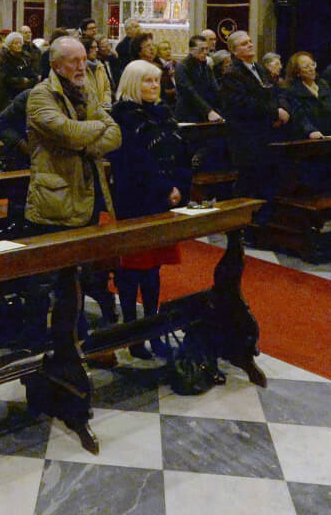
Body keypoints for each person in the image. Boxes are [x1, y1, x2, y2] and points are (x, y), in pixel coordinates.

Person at [107, 59, 192, 359]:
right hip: (136, 199)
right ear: (133, 83)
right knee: (133, 269)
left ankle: (153, 330)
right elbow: (134, 161)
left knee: (153, 269)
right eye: (147, 81)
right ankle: (133, 334)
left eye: (156, 81)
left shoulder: (163, 114)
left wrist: (179, 187)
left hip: (163, 200)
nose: (154, 86)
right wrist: (165, 188)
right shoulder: (123, 116)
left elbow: (180, 152)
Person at [24, 36, 122, 233]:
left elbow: (115, 134)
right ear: (56, 65)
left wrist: (88, 147)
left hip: (89, 192)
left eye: (84, 59)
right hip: (56, 201)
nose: (82, 67)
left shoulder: (86, 91)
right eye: (74, 61)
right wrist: (99, 125)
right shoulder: (41, 95)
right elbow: (69, 133)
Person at [220, 30, 289, 205]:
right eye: (244, 44)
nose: (250, 45)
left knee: (268, 184)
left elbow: (277, 92)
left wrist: (282, 109)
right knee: (249, 186)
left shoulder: (259, 68)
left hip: (267, 133)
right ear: (234, 51)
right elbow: (244, 104)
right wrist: (274, 112)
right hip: (247, 138)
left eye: (250, 41)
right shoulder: (232, 73)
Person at [278, 51, 331, 139]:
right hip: (306, 138)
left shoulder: (323, 85)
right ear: (297, 72)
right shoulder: (291, 90)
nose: (311, 69)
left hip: (329, 135)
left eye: (313, 65)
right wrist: (310, 131)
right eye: (306, 67)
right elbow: (299, 116)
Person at [175, 34, 223, 124]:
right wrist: (208, 111)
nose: (205, 52)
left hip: (205, 113)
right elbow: (189, 92)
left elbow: (215, 89)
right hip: (188, 114)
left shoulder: (206, 66)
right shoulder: (182, 67)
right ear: (191, 50)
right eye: (201, 49)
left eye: (207, 49)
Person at [0, 30, 40, 114]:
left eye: (20, 43)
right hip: (8, 96)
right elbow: (5, 78)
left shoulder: (26, 58)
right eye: (15, 43)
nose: (18, 45)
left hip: (25, 94)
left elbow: (32, 75)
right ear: (10, 45)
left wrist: (29, 81)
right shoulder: (4, 59)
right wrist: (21, 81)